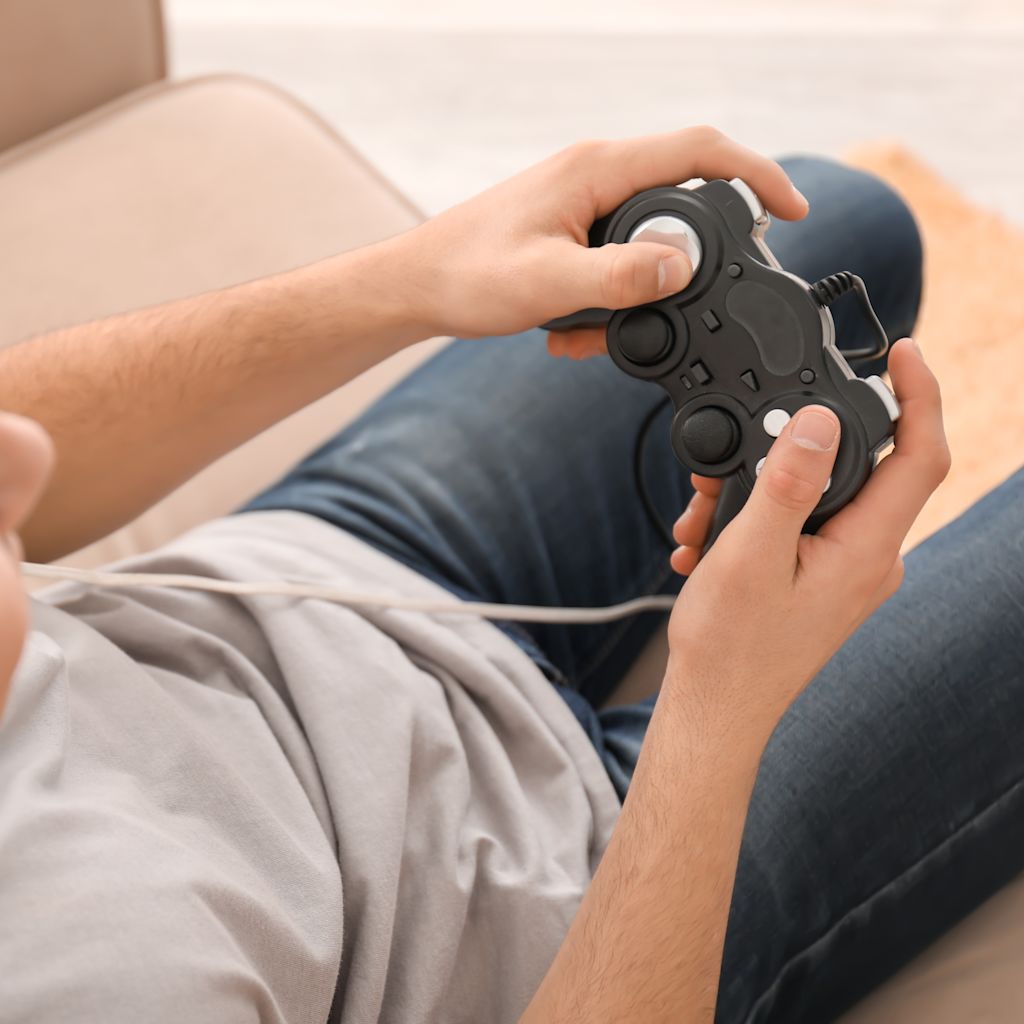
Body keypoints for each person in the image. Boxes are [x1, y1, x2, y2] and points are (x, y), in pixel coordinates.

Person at [0, 126, 1019, 1024]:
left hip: (306, 588)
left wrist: (415, 277)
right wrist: (719, 705)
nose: (21, 462)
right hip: (581, 898)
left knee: (833, 213)